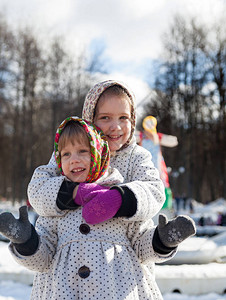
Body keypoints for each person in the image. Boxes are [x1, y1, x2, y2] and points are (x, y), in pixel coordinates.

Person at [0, 117, 196, 299]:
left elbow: (141, 246)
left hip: (116, 291)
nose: (73, 159)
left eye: (82, 151)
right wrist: (26, 241)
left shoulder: (119, 200)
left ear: (99, 153)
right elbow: (43, 259)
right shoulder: (55, 209)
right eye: (65, 154)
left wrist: (162, 240)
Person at [27, 80, 166, 222]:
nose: (116, 127)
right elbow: (37, 188)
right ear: (90, 120)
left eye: (123, 118)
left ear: (132, 120)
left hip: (118, 238)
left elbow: (154, 191)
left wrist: (119, 199)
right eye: (105, 117)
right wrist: (74, 193)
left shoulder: (137, 156)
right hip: (67, 236)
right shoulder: (70, 151)